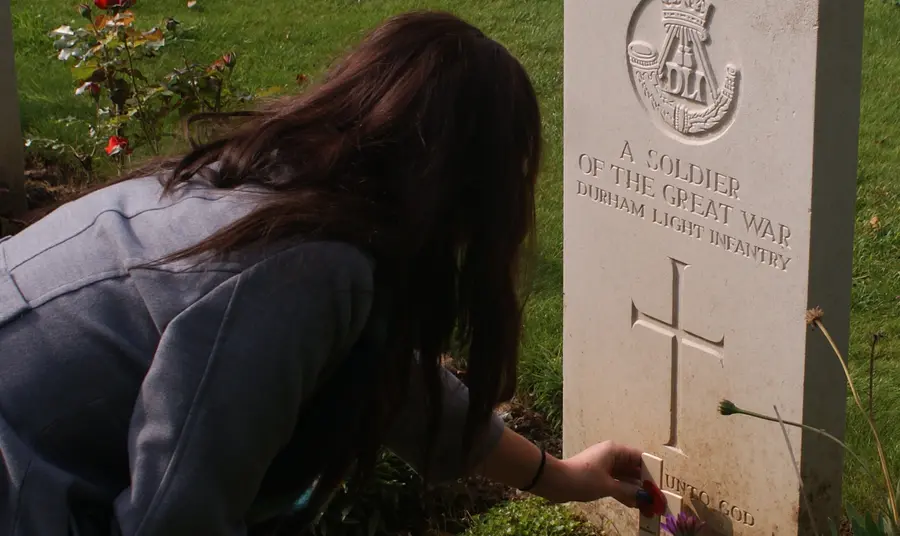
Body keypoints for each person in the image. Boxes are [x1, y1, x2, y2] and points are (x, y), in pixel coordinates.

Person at [0, 10, 650, 536]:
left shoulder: (286, 192)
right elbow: (178, 516)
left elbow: (399, 383)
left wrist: (562, 477)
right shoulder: (295, 267)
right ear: (469, 184)